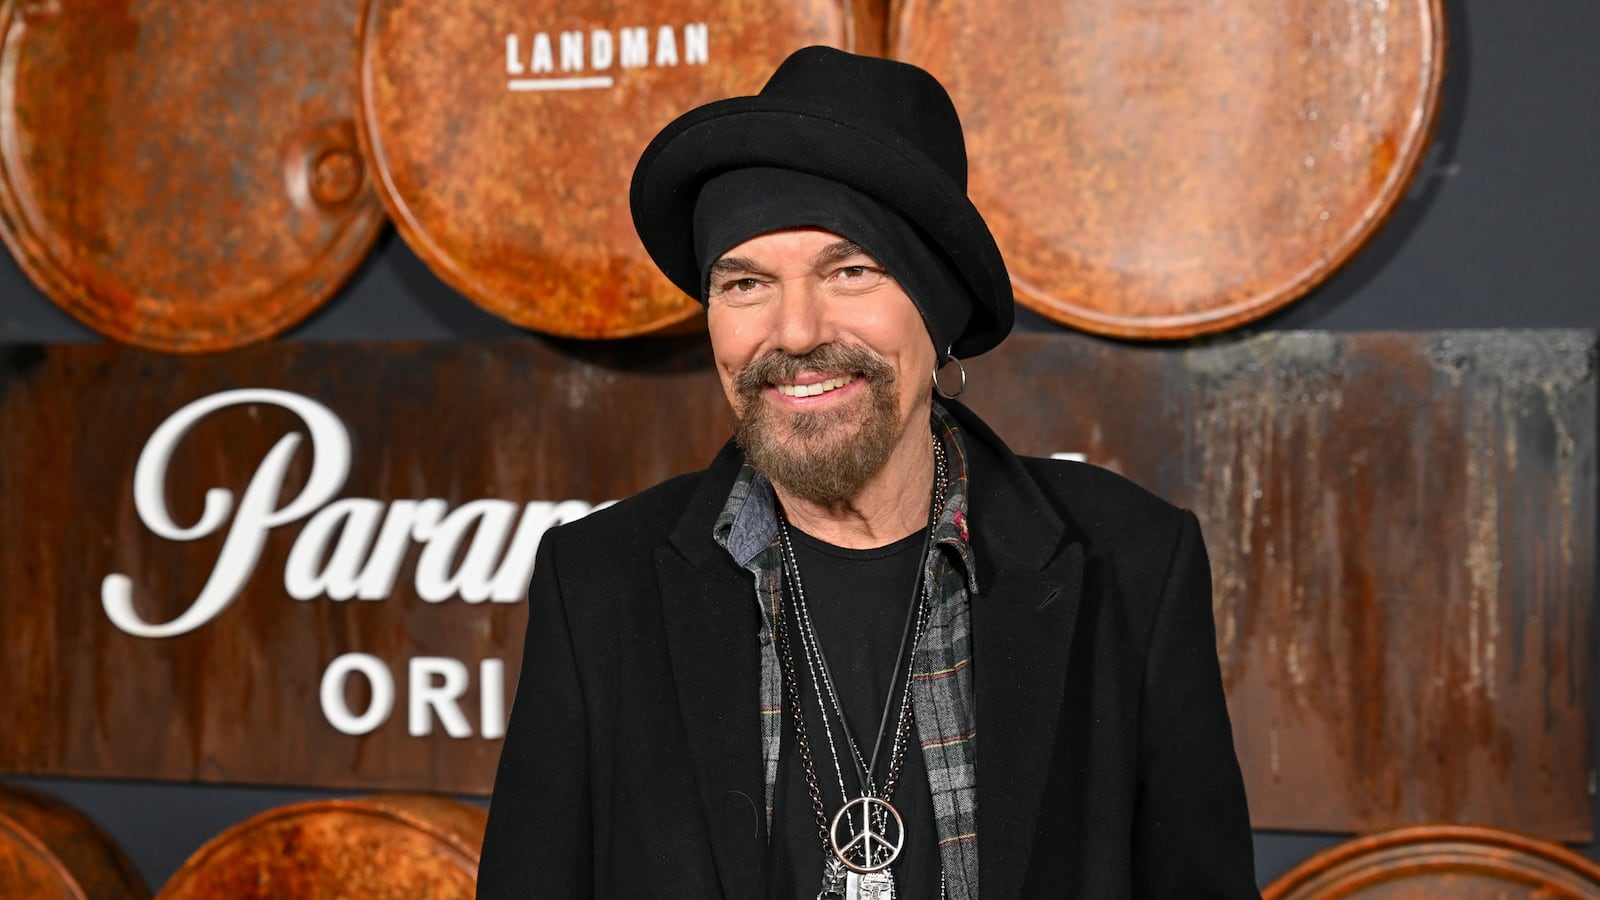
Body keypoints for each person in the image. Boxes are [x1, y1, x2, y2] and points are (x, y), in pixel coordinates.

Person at [478, 46, 1257, 899]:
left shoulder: (1132, 564)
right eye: (744, 284)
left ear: (938, 311)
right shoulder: (597, 582)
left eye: (851, 271)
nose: (798, 330)